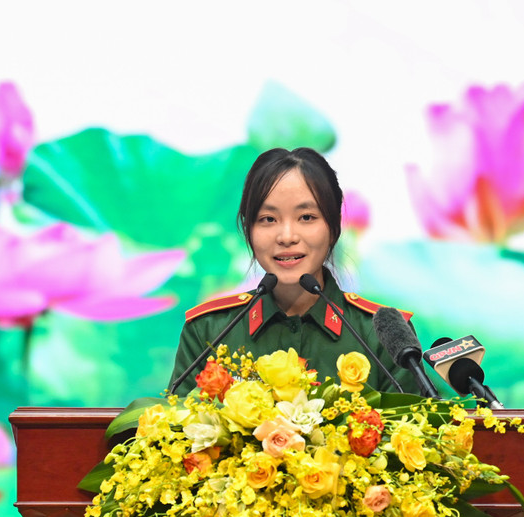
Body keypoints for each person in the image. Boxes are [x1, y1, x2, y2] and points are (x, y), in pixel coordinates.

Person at [170, 147, 419, 395]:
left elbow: (414, 430)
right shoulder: (208, 331)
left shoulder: (383, 334)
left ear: (333, 227)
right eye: (268, 219)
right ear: (248, 231)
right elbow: (170, 429)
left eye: (307, 217)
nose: (287, 237)